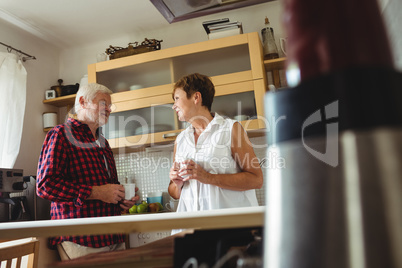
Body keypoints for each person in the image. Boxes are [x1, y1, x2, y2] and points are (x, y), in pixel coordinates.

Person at [36, 83, 139, 260]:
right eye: (103, 103)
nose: (109, 109)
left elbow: (106, 188)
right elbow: (45, 185)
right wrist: (97, 192)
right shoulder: (61, 134)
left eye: (110, 105)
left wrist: (120, 199)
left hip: (113, 235)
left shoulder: (103, 143)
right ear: (83, 102)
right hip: (81, 238)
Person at [168, 73, 263, 218]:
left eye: (177, 99)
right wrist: (177, 183)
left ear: (196, 97)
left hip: (230, 229)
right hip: (192, 230)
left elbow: (256, 180)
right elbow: (174, 193)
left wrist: (208, 177)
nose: (174, 106)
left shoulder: (231, 129)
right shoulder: (180, 140)